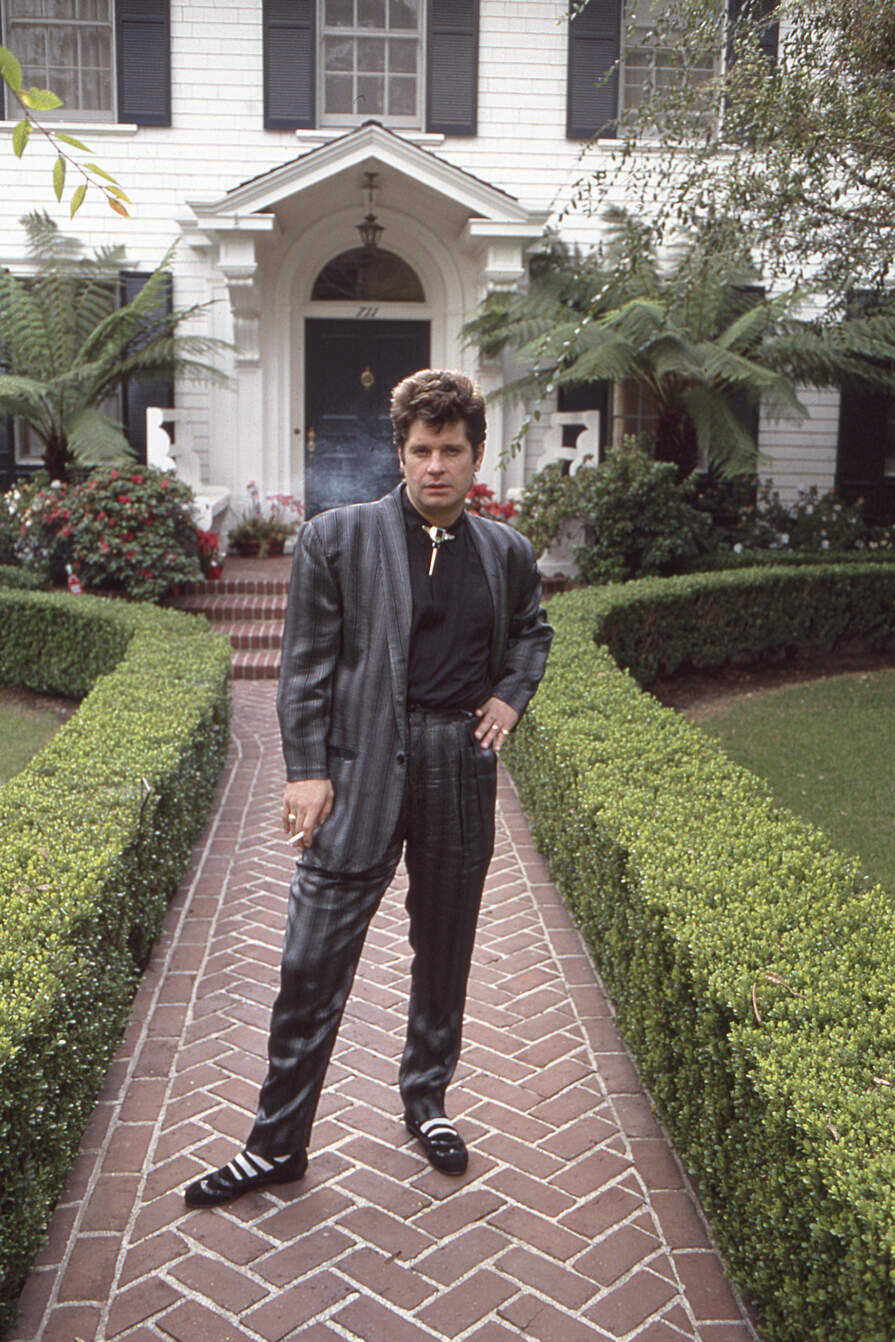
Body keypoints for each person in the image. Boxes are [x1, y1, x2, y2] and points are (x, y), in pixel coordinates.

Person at [184, 368, 552, 1208]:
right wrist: (307, 771)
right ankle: (277, 1143)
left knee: (445, 950)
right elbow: (305, 667)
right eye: (421, 451)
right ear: (399, 453)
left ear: (476, 456)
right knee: (311, 961)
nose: (435, 467)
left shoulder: (506, 551)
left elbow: (533, 632)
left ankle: (427, 1101)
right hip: (356, 772)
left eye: (451, 451)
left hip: (458, 766)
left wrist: (510, 693)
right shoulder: (335, 540)